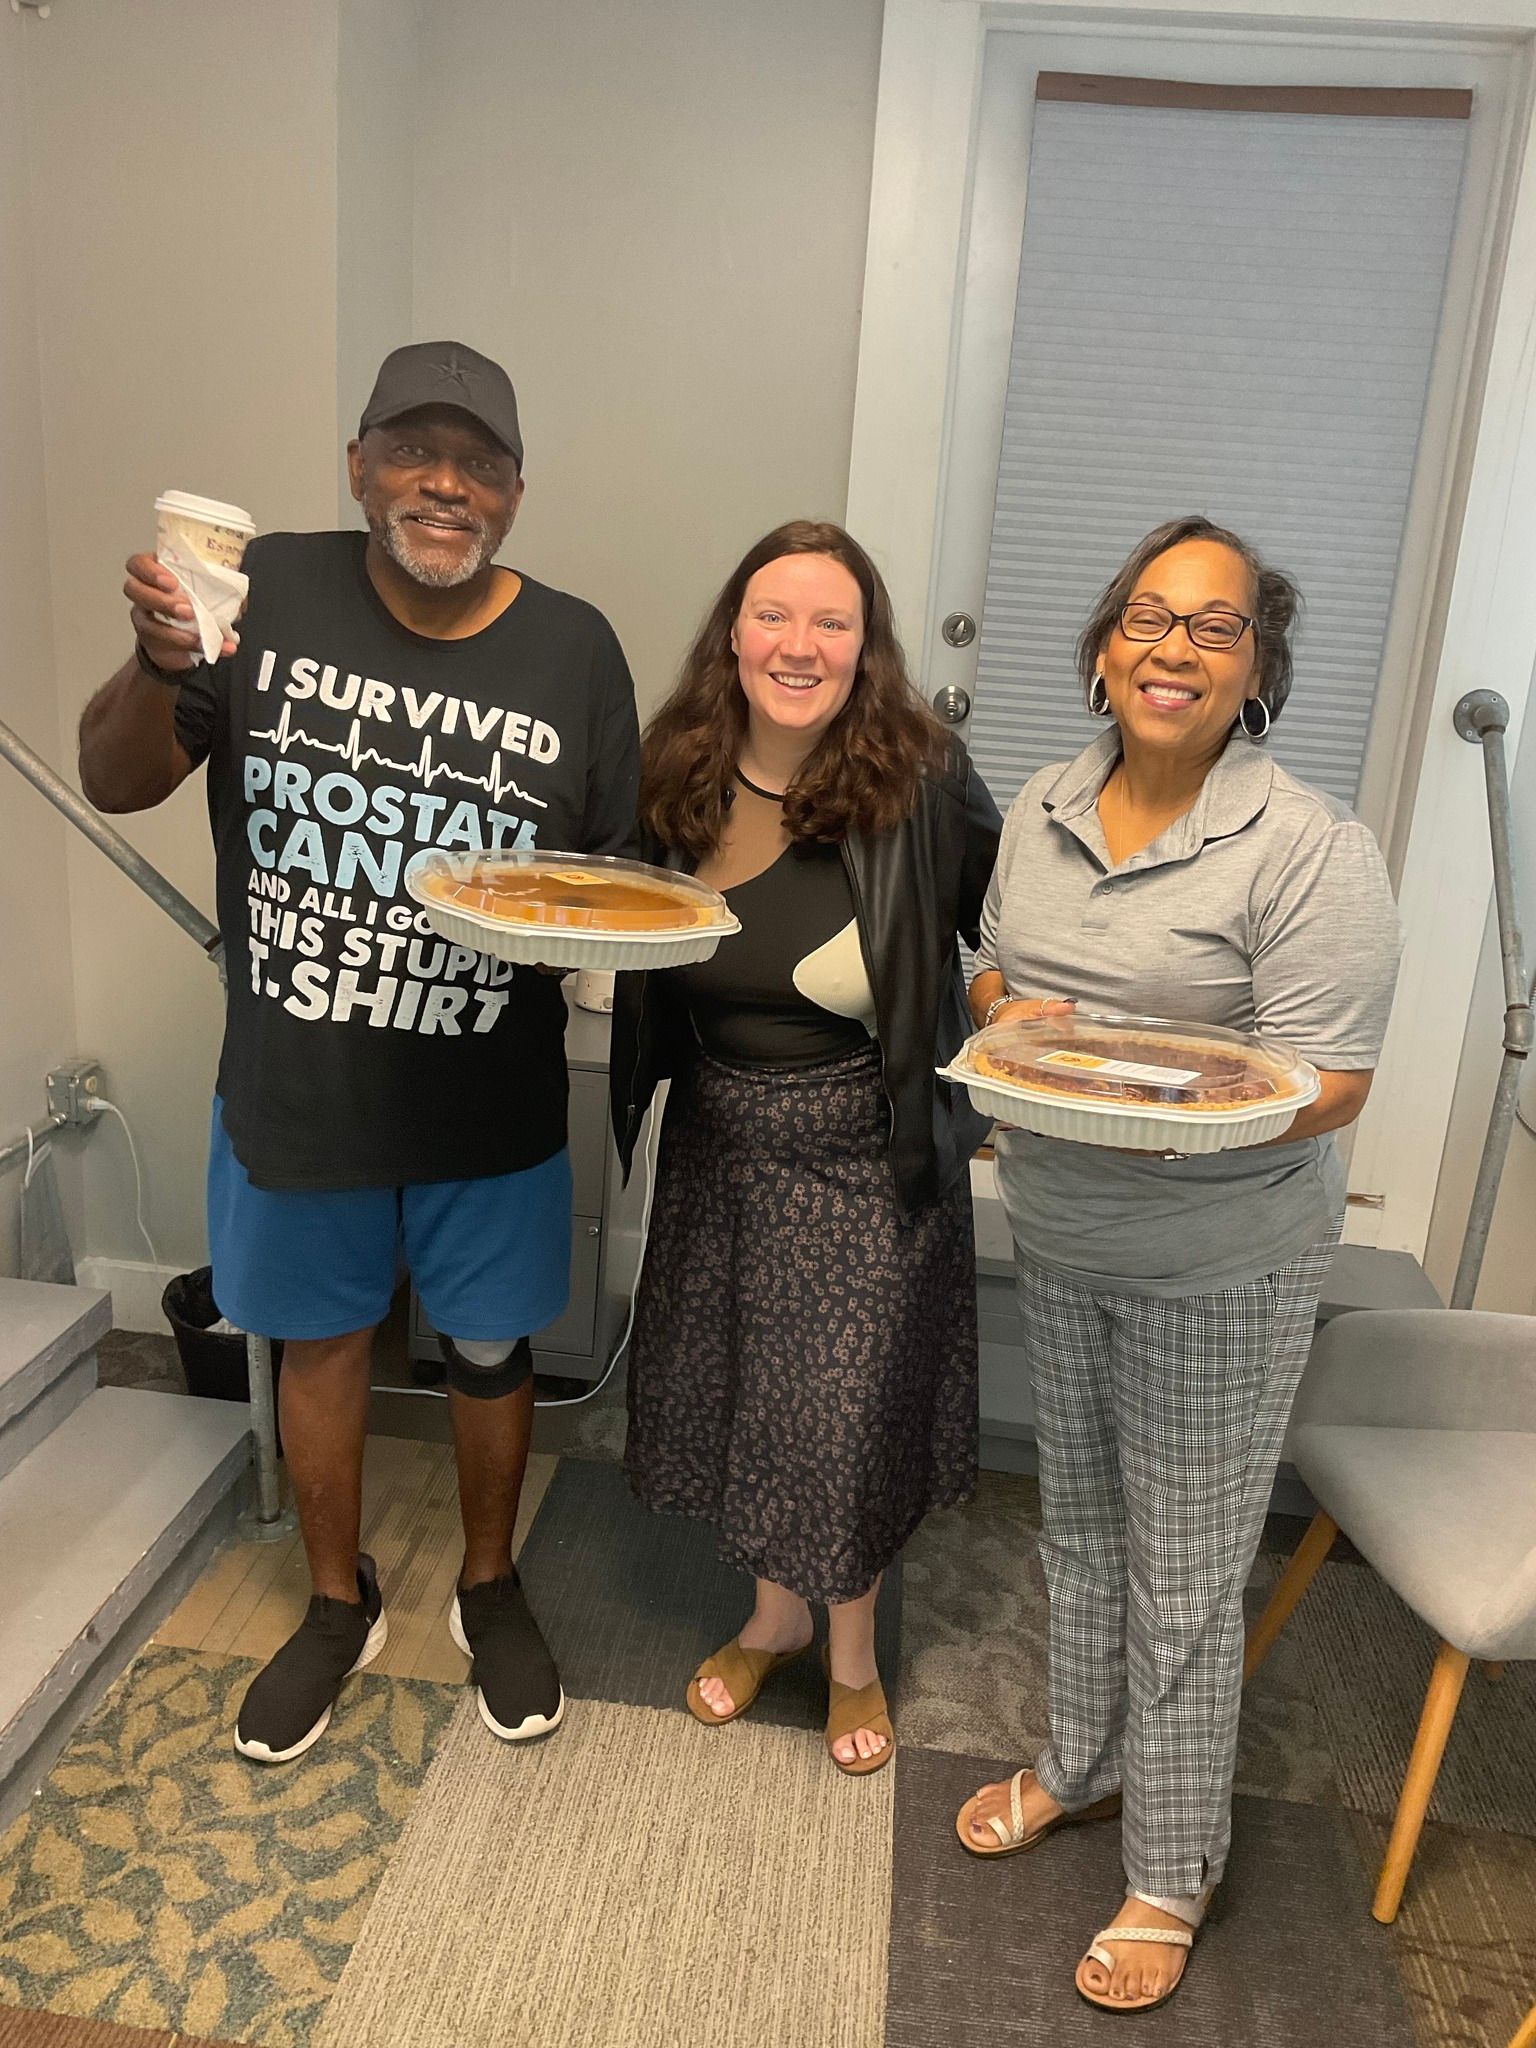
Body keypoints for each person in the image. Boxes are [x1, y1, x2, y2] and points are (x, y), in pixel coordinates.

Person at [78, 341, 640, 1764]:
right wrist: (159, 664)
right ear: (358, 464)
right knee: (318, 1344)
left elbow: (612, 866)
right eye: (414, 450)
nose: (446, 484)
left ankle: (491, 1583)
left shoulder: (574, 646)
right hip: (300, 1086)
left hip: (489, 1088)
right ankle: (337, 1602)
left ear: (516, 489)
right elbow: (116, 774)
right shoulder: (262, 595)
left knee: (494, 1346)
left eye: (479, 463)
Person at [956, 516, 1401, 2010]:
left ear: (1255, 672)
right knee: (1076, 1532)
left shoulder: (1310, 847)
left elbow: (1330, 1080)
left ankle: (1172, 1864)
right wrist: (1009, 1006)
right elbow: (995, 964)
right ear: (1102, 648)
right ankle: (1081, 1766)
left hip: (1222, 1258)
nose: (1175, 648)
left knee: (1190, 1578)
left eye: (1216, 629)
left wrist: (1160, 1099)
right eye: (1150, 617)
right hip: (1062, 1228)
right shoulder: (1041, 801)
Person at [609, 520, 1001, 1775]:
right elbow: (616, 910)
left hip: (868, 1154)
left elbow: (1008, 920)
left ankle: (851, 1656)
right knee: (750, 1398)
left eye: (832, 621)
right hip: (721, 1144)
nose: (800, 643)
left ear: (864, 647)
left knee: (844, 1419)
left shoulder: (922, 775)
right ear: (733, 630)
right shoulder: (679, 767)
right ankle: (772, 1621)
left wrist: (1016, 1026)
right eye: (775, 614)